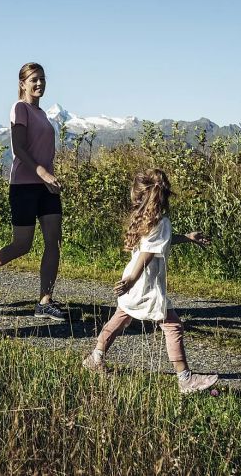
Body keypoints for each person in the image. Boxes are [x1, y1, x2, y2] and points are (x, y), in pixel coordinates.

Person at [82, 168, 219, 394]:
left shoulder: (144, 219)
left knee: (120, 318)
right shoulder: (160, 221)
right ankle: (185, 379)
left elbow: (159, 242)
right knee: (172, 325)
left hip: (134, 283)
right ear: (164, 196)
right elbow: (147, 254)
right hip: (144, 285)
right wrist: (132, 280)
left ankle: (95, 358)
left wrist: (186, 238)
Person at [0, 62, 65, 321]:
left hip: (47, 186)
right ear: (22, 83)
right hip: (24, 185)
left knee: (53, 241)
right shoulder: (19, 108)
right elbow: (19, 148)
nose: (39, 83)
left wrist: (48, 177)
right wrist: (42, 173)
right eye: (34, 79)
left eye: (42, 78)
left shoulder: (43, 114)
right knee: (22, 245)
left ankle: (44, 301)